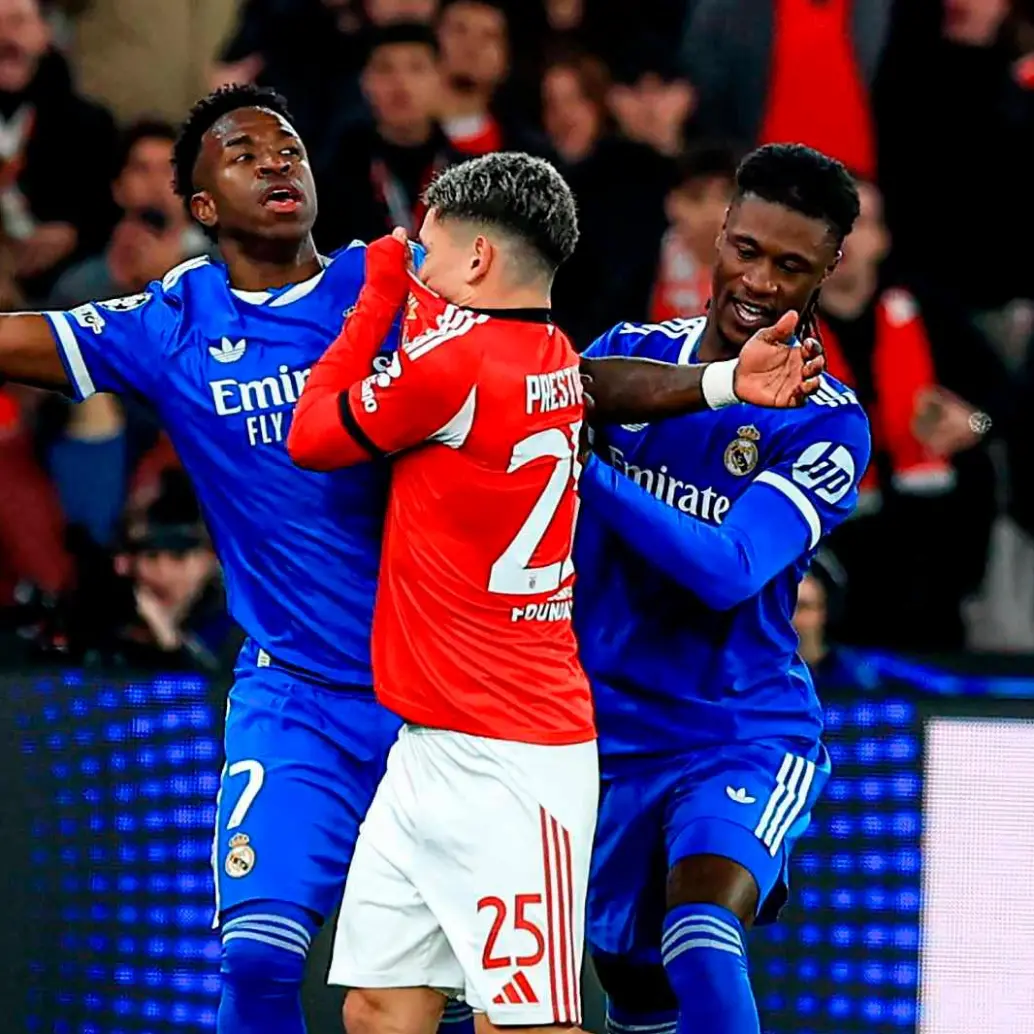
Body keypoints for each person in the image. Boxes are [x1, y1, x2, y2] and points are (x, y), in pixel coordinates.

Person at [0, 86, 821, 1034]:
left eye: (290, 145)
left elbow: (556, 372)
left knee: (478, 1007)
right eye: (244, 154)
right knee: (268, 965)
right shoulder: (171, 322)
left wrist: (714, 382)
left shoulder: (402, 290)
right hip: (298, 695)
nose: (277, 162)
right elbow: (24, 342)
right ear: (201, 207)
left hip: (440, 702)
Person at [286, 152, 824, 1034]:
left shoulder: (451, 368)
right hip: (428, 740)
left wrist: (381, 292)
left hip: (517, 751)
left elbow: (312, 433)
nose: (415, 262)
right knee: (381, 1010)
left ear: (477, 263)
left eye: (428, 251)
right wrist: (723, 382)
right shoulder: (553, 361)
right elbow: (594, 383)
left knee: (529, 1022)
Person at [574, 143, 872, 1034]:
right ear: (720, 230)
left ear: (831, 266)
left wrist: (589, 468)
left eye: (791, 265)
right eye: (747, 249)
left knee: (700, 933)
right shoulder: (628, 357)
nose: (760, 282)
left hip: (736, 729)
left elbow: (729, 568)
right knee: (637, 998)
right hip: (600, 737)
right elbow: (524, 410)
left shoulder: (828, 423)